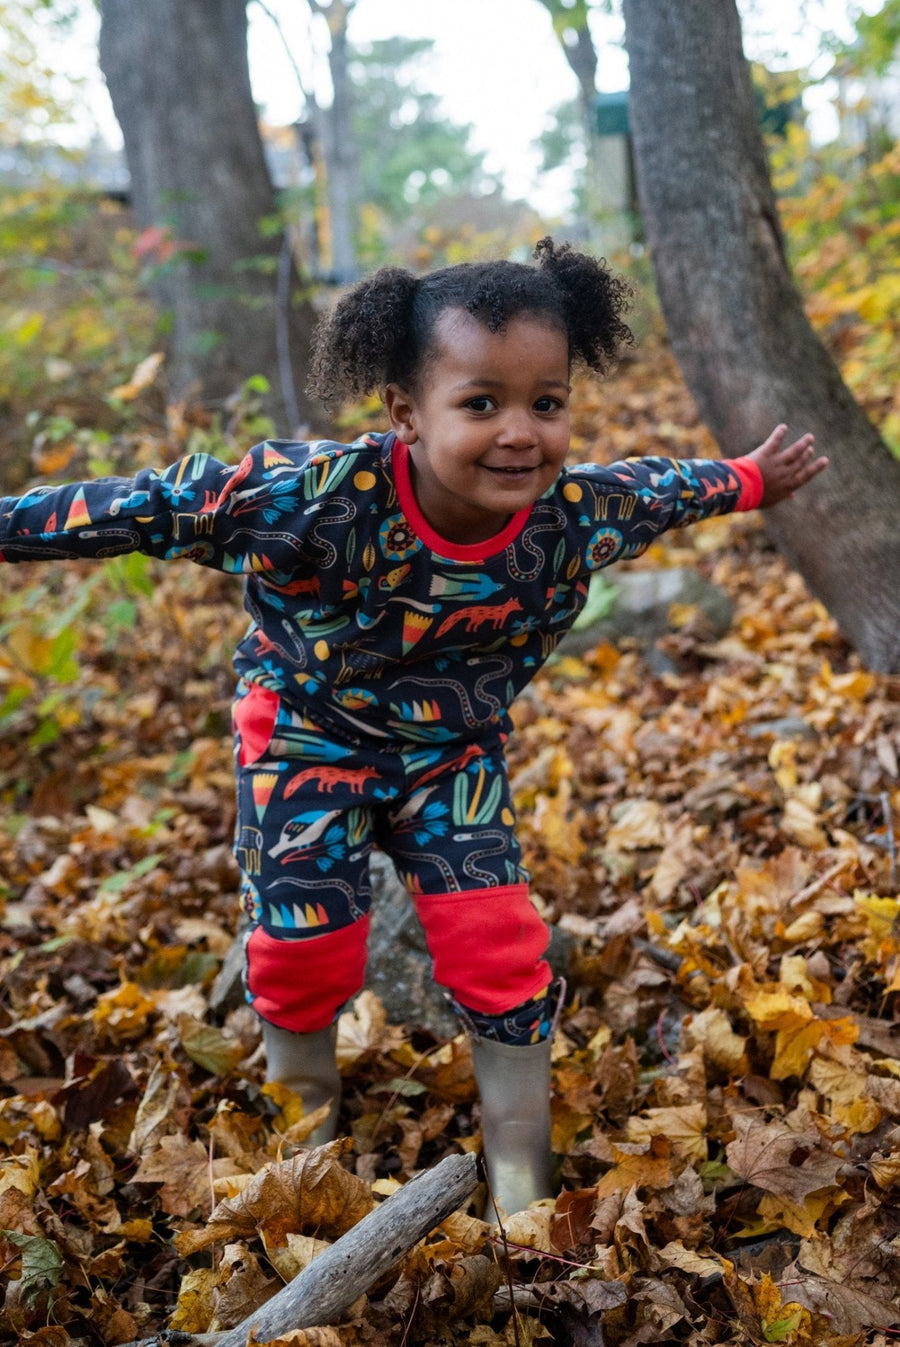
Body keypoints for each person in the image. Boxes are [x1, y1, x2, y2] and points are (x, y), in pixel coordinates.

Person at [0, 238, 827, 1217]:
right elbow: (153, 505)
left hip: (451, 753)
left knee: (499, 944)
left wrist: (748, 479)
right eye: (481, 404)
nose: (521, 432)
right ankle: (305, 1126)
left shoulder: (575, 514)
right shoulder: (308, 500)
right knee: (307, 944)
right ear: (406, 413)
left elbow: (669, 489)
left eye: (546, 403)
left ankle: (521, 1178)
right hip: (308, 733)